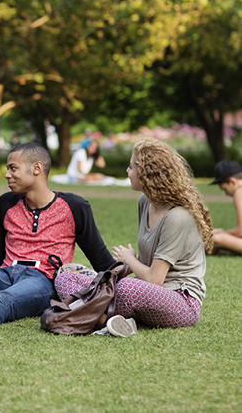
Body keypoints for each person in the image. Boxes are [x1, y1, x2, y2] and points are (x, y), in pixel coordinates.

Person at [0, 142, 116, 335]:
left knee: (6, 299)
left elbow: (100, 260)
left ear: (37, 168)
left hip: (42, 280)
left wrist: (129, 275)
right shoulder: (6, 203)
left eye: (13, 169)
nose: (7, 175)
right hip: (6, 272)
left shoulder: (75, 206)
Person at [54, 138, 211, 335]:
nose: (127, 172)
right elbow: (148, 265)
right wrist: (123, 268)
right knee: (65, 277)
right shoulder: (145, 202)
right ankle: (105, 319)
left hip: (181, 302)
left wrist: (129, 259)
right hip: (144, 292)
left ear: (146, 173)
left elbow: (155, 279)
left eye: (130, 167)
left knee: (126, 287)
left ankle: (96, 317)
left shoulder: (178, 217)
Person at [209, 160, 242, 254]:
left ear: (232, 182)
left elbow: (240, 231)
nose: (226, 194)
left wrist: (221, 232)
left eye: (225, 189)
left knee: (216, 239)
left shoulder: (239, 191)